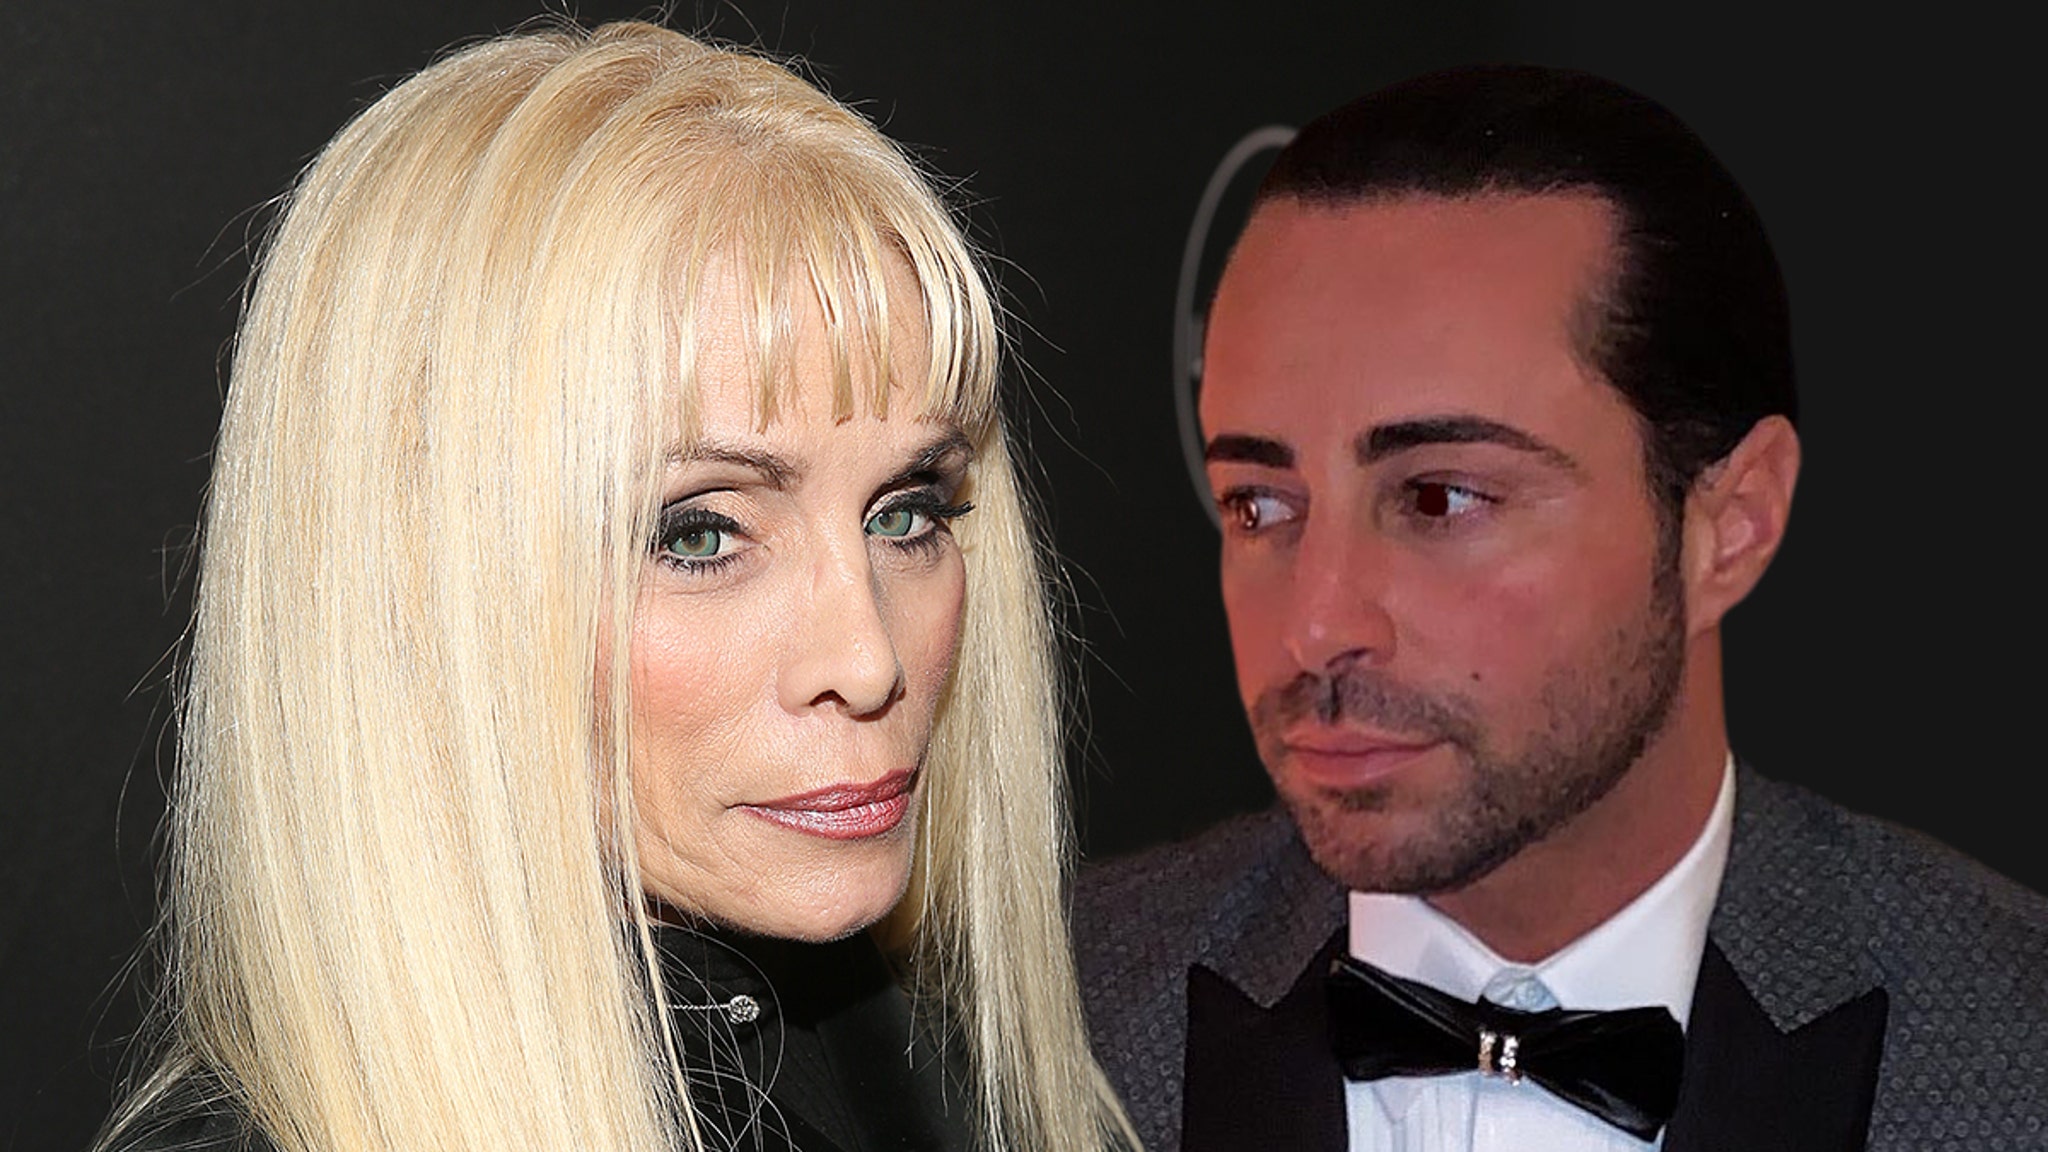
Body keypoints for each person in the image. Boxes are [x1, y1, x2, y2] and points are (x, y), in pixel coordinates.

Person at [94, 20, 1137, 1152]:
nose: (868, 658)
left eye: (906, 512)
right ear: (418, 595)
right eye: (701, 535)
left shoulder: (946, 1070)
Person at [1073, 63, 2048, 1151]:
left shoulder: (2016, 1040)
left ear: (1729, 525)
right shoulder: (1029, 1021)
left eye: (1439, 498)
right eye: (1259, 505)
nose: (1315, 625)